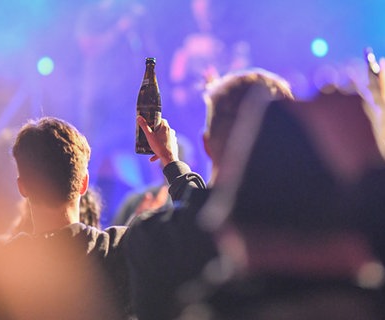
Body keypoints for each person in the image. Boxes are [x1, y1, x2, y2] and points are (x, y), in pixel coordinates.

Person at [125, 69, 294, 320]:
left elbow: (199, 213)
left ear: (207, 144)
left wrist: (170, 161)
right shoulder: (319, 234)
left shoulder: (152, 236)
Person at [1, 117, 131, 319]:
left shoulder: (1, 267)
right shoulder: (119, 250)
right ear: (84, 183)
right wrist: (171, 162)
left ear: (22, 187)